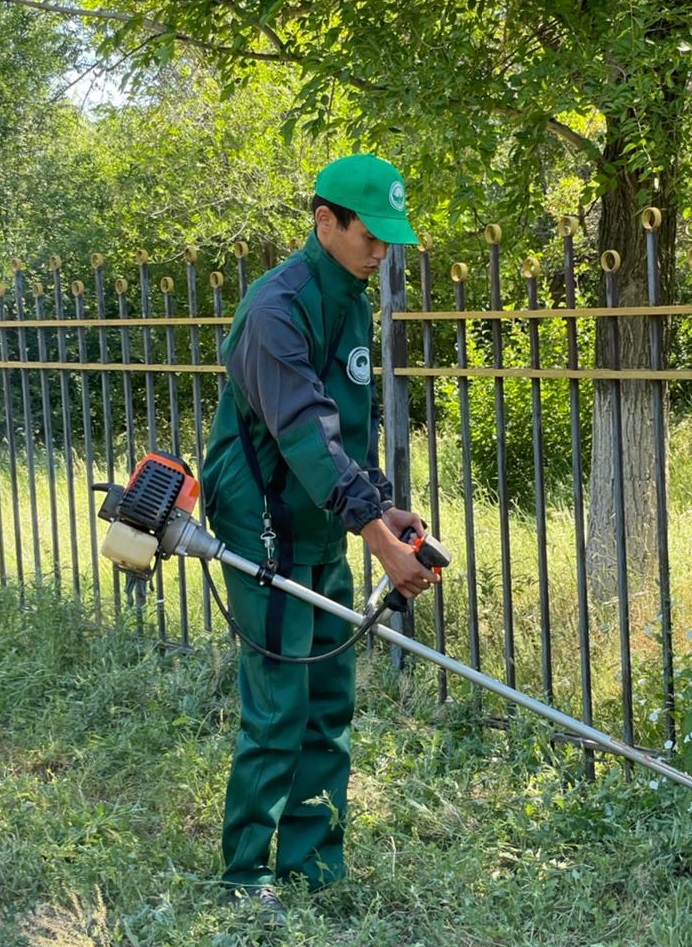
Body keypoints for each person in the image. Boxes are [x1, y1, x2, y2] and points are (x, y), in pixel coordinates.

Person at [201, 153, 439, 919]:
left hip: (322, 514)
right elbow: (304, 435)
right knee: (280, 702)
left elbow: (347, 429)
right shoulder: (275, 308)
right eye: (370, 236)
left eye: (389, 240)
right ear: (324, 220)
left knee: (329, 697)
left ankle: (313, 861)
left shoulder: (353, 298)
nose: (381, 253)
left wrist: (382, 506)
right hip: (264, 517)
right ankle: (245, 875)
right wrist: (378, 540)